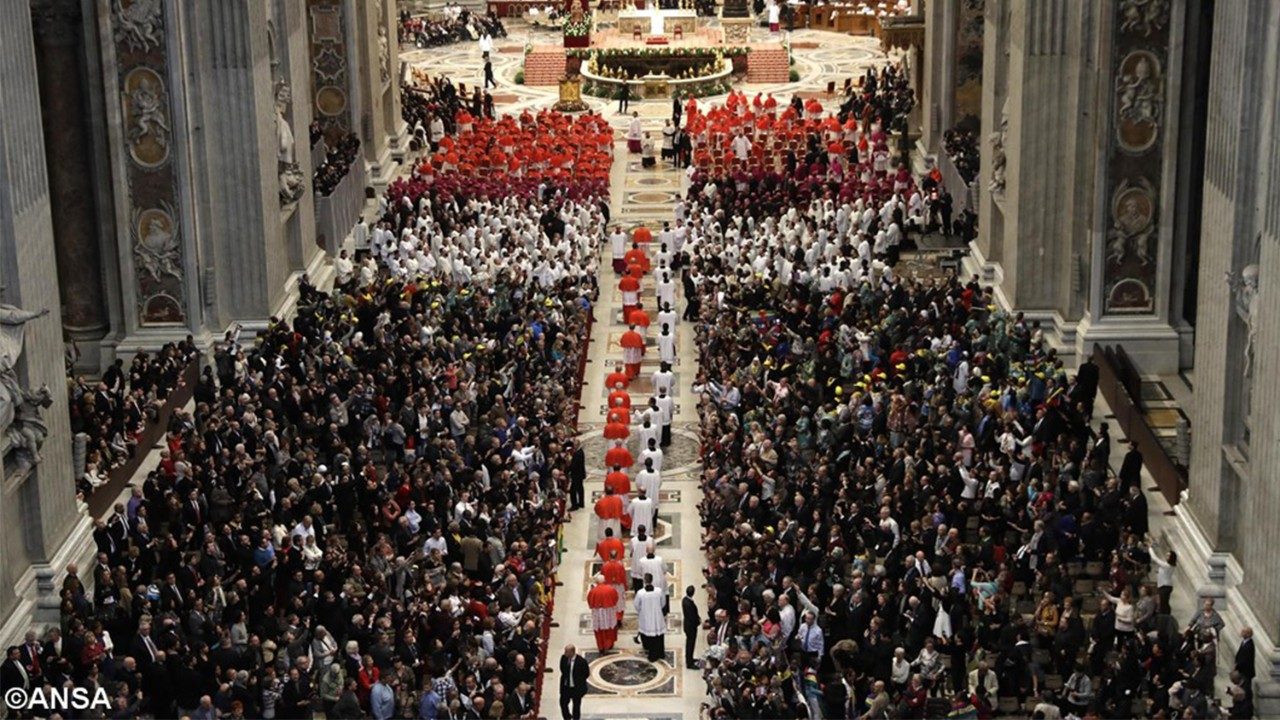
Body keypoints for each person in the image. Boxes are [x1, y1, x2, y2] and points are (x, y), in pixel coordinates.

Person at [635, 575, 666, 662]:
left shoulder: (640, 593)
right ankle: (660, 653)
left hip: (646, 617)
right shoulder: (659, 591)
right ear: (652, 580)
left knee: (650, 637)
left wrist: (642, 611)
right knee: (659, 635)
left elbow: (637, 605)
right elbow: (663, 603)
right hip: (657, 615)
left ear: (644, 581)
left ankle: (652, 655)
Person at [588, 574, 620, 652]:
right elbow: (616, 598)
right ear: (604, 580)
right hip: (609, 611)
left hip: (597, 613)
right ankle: (609, 644)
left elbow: (590, 601)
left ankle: (601, 646)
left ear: (596, 581)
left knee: (599, 630)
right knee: (609, 628)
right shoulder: (610, 589)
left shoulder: (593, 591)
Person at [558, 645, 589, 720]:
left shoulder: (581, 661)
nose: (564, 653)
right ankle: (567, 717)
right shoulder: (563, 658)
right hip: (566, 687)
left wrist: (579, 681)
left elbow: (586, 674)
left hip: (576, 688)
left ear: (572, 652)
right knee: (563, 704)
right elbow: (562, 670)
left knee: (576, 706)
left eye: (566, 652)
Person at [681, 586, 701, 668]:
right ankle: (689, 663)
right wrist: (698, 621)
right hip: (691, 627)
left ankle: (690, 658)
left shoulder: (685, 600)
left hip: (688, 625)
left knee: (690, 644)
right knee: (690, 644)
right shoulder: (689, 604)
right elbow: (692, 616)